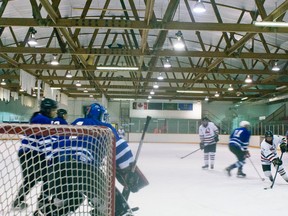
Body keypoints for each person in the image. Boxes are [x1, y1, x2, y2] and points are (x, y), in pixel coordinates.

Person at [35, 103, 142, 216]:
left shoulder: (72, 124)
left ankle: (46, 212)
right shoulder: (104, 127)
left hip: (57, 171)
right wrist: (130, 173)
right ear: (101, 115)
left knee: (74, 198)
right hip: (85, 171)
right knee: (113, 201)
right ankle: (119, 212)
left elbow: (55, 146)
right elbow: (121, 147)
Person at [12, 98, 58, 209]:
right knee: (47, 177)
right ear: (47, 110)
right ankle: (42, 201)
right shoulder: (43, 120)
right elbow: (44, 140)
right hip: (31, 154)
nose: (55, 112)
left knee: (34, 179)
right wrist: (50, 156)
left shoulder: (39, 117)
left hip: (29, 153)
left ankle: (21, 201)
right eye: (53, 109)